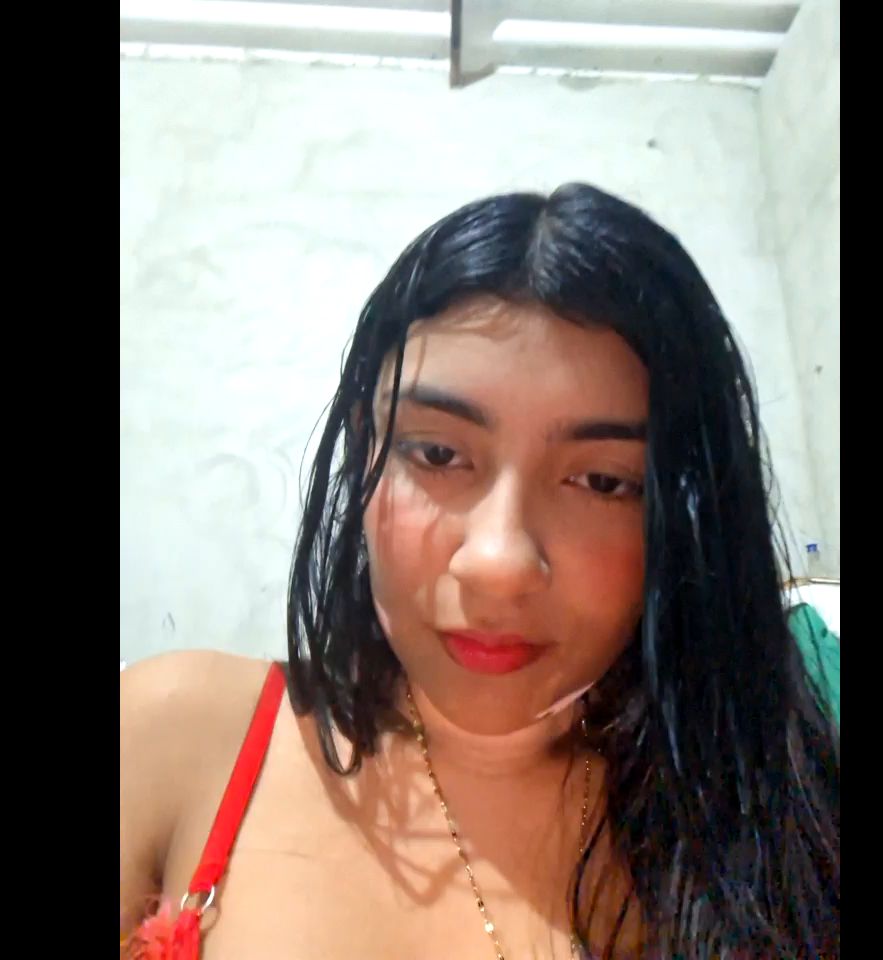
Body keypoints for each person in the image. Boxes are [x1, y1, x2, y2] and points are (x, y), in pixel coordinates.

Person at [120, 183, 840, 959]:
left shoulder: (768, 802)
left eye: (602, 481)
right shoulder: (182, 733)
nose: (498, 564)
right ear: (365, 450)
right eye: (437, 453)